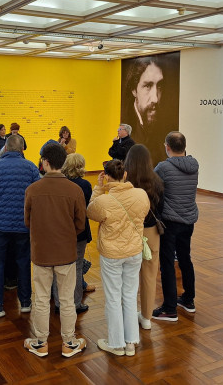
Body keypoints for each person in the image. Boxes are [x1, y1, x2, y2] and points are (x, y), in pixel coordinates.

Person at [23, 143, 87, 359]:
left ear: (45, 162)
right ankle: (69, 342)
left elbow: (27, 221)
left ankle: (40, 342)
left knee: (41, 298)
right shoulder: (75, 190)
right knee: (67, 299)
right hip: (66, 253)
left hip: (41, 253)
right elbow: (80, 224)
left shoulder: (32, 189)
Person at [87, 159, 150, 356]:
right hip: (134, 251)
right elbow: (144, 214)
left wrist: (98, 188)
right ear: (124, 175)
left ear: (106, 176)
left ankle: (116, 343)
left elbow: (90, 211)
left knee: (113, 297)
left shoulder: (103, 200)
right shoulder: (141, 195)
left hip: (112, 253)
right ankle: (131, 342)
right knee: (130, 295)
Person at [0, 134, 39, 317]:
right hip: (24, 225)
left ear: (5, 148)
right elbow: (38, 196)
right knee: (23, 262)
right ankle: (26, 302)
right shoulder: (31, 168)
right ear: (22, 149)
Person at [152, 131, 199, 322]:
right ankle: (188, 299)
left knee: (167, 264)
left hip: (170, 222)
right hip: (188, 220)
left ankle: (170, 308)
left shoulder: (163, 167)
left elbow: (151, 186)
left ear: (167, 146)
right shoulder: (194, 165)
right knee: (185, 258)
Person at [123, 144, 164, 330]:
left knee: (127, 276)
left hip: (130, 232)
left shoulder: (125, 182)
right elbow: (161, 208)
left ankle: (127, 316)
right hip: (151, 232)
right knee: (149, 275)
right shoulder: (156, 180)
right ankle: (147, 317)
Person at [51, 153, 93, 313]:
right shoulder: (85, 185)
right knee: (76, 267)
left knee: (58, 266)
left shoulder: (58, 183)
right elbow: (87, 208)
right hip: (79, 232)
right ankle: (75, 303)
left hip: (59, 230)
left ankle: (58, 302)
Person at [123, 57, 166, 165]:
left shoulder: (164, 130)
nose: (155, 99)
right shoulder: (127, 127)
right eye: (148, 86)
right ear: (134, 90)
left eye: (159, 86)